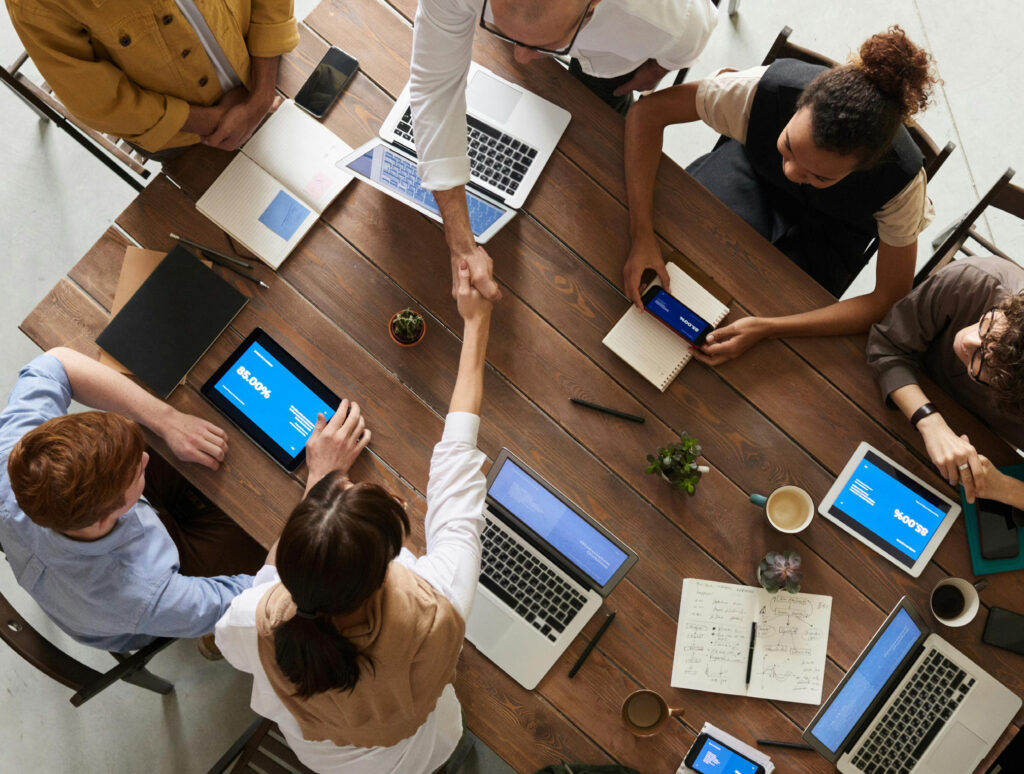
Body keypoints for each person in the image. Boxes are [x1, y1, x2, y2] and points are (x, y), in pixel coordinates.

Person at [215, 261, 492, 773]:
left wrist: (318, 481)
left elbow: (264, 590)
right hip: (423, 751)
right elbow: (457, 473)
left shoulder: (251, 620)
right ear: (389, 564)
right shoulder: (437, 601)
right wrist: (476, 324)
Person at [623, 26, 939, 365]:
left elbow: (888, 297)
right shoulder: (760, 91)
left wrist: (768, 328)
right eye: (788, 147)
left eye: (819, 175)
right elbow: (647, 113)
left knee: (766, 342)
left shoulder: (902, 184)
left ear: (864, 167)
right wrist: (641, 233)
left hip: (832, 234)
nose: (791, 172)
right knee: (681, 251)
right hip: (750, 175)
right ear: (799, 105)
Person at [410, 0, 718, 303]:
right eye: (508, 34)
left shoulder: (672, 21)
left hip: (613, 57)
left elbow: (691, 41)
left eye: (544, 45)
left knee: (603, 104)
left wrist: (656, 70)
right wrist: (461, 245)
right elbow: (434, 91)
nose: (522, 57)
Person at [0, 348, 265, 653]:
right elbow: (259, 599)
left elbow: (56, 361)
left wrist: (168, 420)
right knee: (269, 545)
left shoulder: (20, 457)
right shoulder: (141, 595)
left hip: (89, 558)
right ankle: (211, 640)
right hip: (143, 603)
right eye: (136, 472)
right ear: (103, 519)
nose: (145, 458)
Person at [6, 0, 299, 154]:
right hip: (187, 138)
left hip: (266, 68)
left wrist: (260, 96)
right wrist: (214, 121)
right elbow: (96, 101)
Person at [867, 256, 1024, 507]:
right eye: (988, 324)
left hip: (982, 465)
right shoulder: (975, 280)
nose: (969, 340)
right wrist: (930, 423)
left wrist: (1006, 489)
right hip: (891, 399)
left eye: (984, 360)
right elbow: (887, 345)